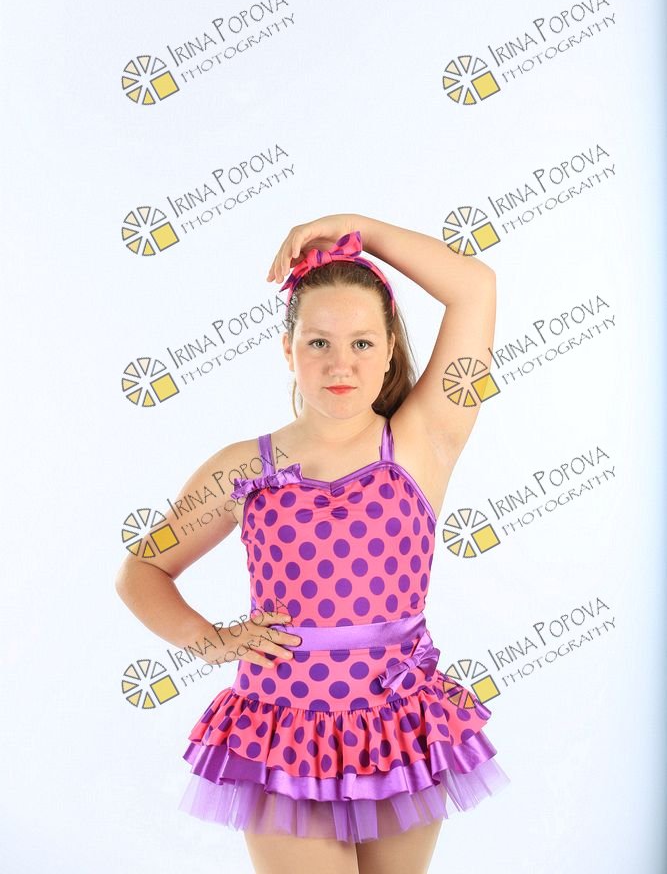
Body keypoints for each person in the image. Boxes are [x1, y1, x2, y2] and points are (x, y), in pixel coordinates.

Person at [115, 214, 510, 874]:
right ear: (287, 348)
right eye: (318, 342)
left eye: (362, 343)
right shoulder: (243, 467)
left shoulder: (422, 441)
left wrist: (358, 230)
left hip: (399, 722)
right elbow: (142, 571)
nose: (339, 364)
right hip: (282, 727)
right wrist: (210, 641)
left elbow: (474, 286)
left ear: (390, 348)